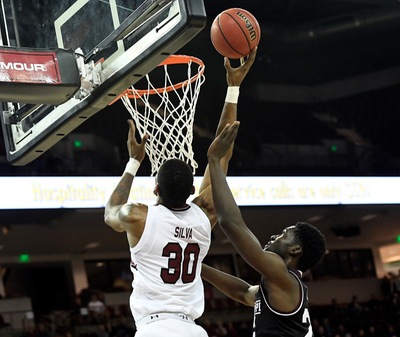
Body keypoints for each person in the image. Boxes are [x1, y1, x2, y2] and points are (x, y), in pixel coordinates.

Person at [104, 48, 257, 337]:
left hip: (154, 328)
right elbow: (222, 154)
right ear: (191, 189)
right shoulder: (204, 214)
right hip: (193, 330)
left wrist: (133, 162)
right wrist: (233, 87)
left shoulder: (137, 216)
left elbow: (110, 211)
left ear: (155, 187)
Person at [202, 122, 327, 337]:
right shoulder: (281, 284)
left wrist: (214, 161)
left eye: (283, 235)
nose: (274, 236)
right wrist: (196, 266)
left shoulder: (283, 278)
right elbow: (242, 292)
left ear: (295, 250)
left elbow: (231, 224)